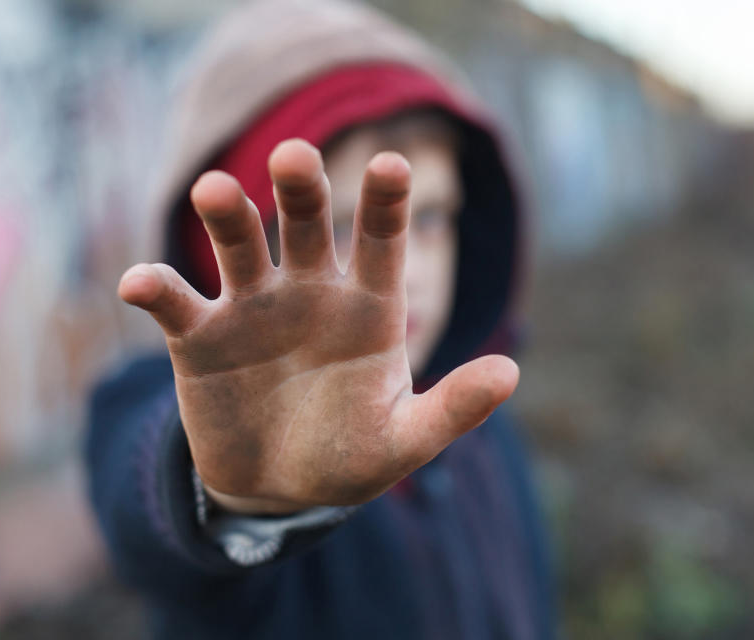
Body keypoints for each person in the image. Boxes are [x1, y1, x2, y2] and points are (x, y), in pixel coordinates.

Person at [85, 1, 555, 638]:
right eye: (339, 228)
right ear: (227, 253)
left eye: (433, 217)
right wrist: (236, 499)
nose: (408, 271)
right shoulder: (150, 410)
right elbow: (144, 505)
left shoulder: (480, 426)